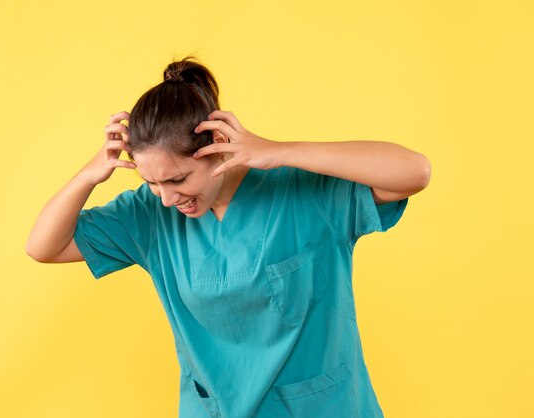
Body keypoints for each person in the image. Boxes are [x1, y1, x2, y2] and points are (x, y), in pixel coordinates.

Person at [26, 54, 431, 418]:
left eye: (178, 179)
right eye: (152, 182)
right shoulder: (149, 217)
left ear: (218, 145)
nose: (167, 198)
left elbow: (415, 172)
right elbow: (43, 246)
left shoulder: (303, 193)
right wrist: (89, 174)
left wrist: (281, 151)